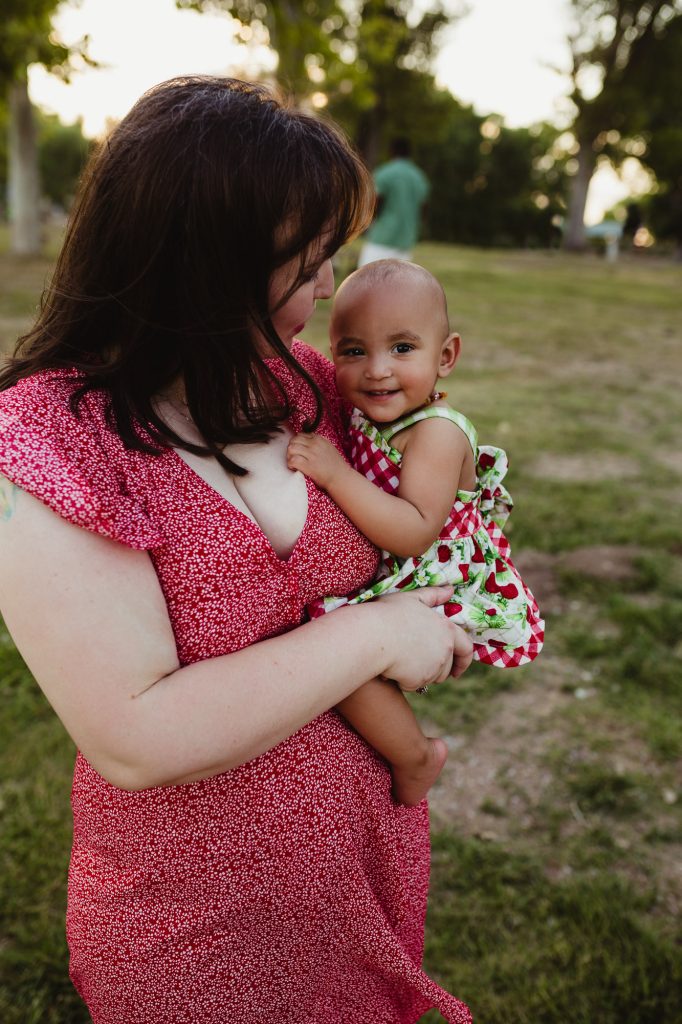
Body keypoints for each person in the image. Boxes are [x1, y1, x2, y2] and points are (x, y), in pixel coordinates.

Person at [0, 78, 475, 1024]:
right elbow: (136, 737)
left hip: (360, 873)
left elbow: (417, 495)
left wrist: (454, 590)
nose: (329, 290)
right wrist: (380, 637)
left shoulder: (300, 379)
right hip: (192, 934)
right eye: (305, 268)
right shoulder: (46, 442)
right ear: (204, 267)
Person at [287, 259, 544, 807]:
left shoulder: (436, 434)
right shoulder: (372, 415)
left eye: (402, 348)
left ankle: (416, 756)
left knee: (340, 657)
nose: (377, 369)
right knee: (336, 653)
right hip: (406, 561)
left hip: (438, 572)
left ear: (445, 356)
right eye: (354, 351)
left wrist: (333, 474)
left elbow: (413, 531)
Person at [358, 137, 429, 267]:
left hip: (382, 237)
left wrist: (365, 225)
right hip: (406, 239)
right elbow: (423, 207)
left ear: (391, 151)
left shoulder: (385, 173)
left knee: (367, 279)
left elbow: (376, 203)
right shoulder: (419, 176)